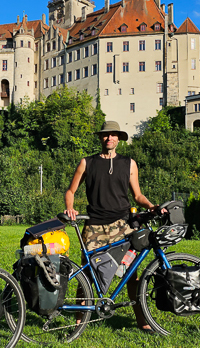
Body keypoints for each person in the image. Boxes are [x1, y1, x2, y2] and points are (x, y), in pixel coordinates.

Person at [64, 120, 158, 333]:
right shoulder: (87, 162)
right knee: (86, 276)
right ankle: (79, 322)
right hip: (94, 226)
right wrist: (70, 208)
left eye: (113, 135)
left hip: (123, 227)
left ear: (119, 139)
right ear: (101, 138)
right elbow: (70, 191)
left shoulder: (129, 163)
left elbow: (138, 195)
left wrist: (151, 207)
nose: (109, 138)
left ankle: (141, 320)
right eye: (106, 135)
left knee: (131, 275)